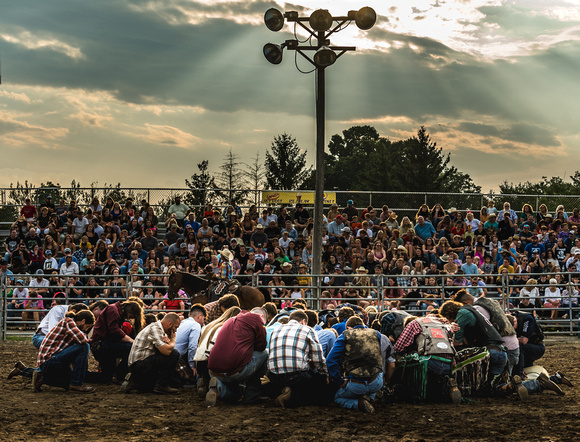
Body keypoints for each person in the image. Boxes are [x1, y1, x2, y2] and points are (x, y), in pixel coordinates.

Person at [206, 307, 268, 406]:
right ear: (261, 316)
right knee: (265, 354)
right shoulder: (257, 319)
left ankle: (218, 389)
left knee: (234, 397)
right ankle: (251, 396)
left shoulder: (231, 320)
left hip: (213, 371)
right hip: (234, 370)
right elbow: (261, 347)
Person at [267, 310, 329, 408]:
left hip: (274, 375)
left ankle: (286, 390)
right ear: (303, 321)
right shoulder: (307, 329)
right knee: (319, 384)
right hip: (296, 376)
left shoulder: (276, 329)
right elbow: (318, 357)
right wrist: (324, 373)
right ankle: (289, 397)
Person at [394, 314, 461, 404]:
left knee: (408, 362)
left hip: (430, 362)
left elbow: (399, 347)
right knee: (437, 387)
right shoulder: (441, 324)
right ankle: (446, 387)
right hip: (449, 364)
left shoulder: (414, 324)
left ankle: (416, 394)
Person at [326, 316, 385, 413]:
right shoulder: (376, 334)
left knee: (337, 398)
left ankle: (359, 404)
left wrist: (339, 381)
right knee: (379, 369)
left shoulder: (345, 335)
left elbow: (330, 360)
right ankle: (370, 396)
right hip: (376, 382)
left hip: (356, 385)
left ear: (349, 327)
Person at [33, 310, 96, 393]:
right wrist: (89, 339)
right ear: (83, 321)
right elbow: (83, 340)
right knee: (85, 346)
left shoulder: (70, 326)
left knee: (68, 382)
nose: (85, 329)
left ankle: (43, 378)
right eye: (87, 326)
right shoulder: (68, 322)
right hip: (49, 360)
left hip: (49, 361)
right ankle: (76, 384)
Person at [123, 312, 182, 394]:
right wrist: (173, 340)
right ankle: (161, 386)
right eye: (175, 327)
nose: (175, 331)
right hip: (139, 364)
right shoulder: (155, 329)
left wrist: (168, 343)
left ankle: (135, 382)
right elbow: (167, 351)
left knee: (174, 383)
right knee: (174, 354)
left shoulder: (160, 329)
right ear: (170, 324)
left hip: (143, 363)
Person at [90, 300, 144, 383]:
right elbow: (114, 331)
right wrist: (131, 341)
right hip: (101, 344)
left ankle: (82, 375)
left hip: (103, 344)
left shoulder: (114, 310)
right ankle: (119, 374)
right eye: (131, 316)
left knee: (106, 378)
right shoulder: (113, 310)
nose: (129, 318)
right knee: (132, 348)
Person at [174, 304, 207, 380]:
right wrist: (192, 365)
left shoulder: (183, 322)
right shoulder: (195, 325)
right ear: (199, 316)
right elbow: (193, 346)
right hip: (178, 358)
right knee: (193, 377)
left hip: (172, 353)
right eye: (203, 319)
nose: (203, 322)